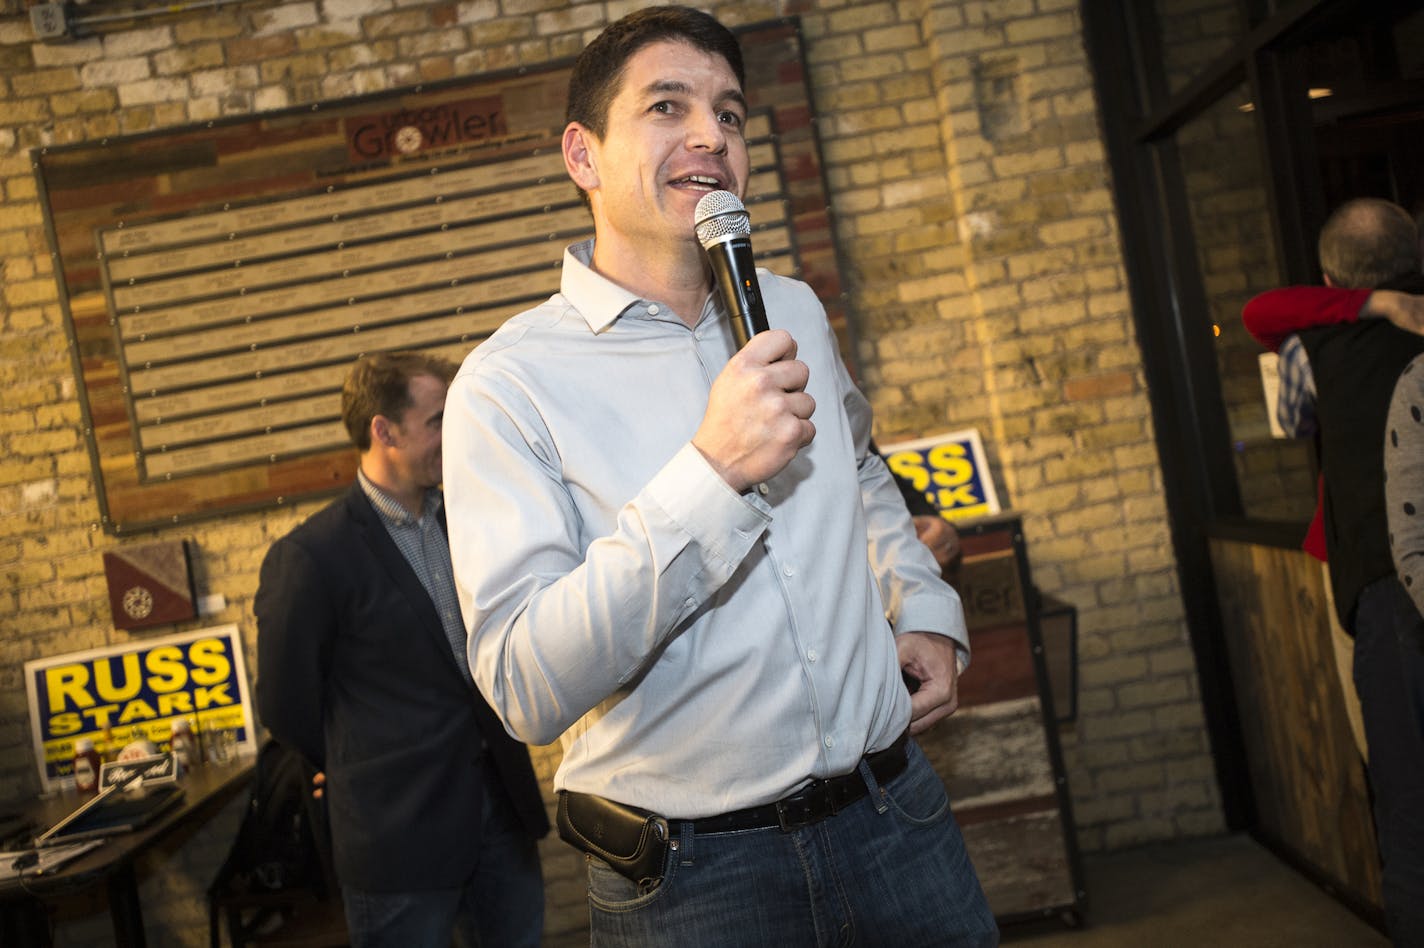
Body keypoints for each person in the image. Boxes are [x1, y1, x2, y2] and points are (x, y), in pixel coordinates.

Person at [442, 7, 996, 946]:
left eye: (731, 115)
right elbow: (526, 684)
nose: (711, 137)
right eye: (668, 106)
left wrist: (925, 608)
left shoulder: (791, 307)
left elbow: (859, 469)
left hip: (896, 822)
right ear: (583, 155)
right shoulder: (507, 388)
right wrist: (711, 474)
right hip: (696, 885)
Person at [254, 352, 548, 948]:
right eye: (438, 420)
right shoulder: (312, 557)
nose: (453, 435)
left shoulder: (465, 523)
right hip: (397, 838)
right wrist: (354, 758)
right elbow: (285, 706)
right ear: (383, 431)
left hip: (501, 814)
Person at [1242, 199, 1424, 946]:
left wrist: (1357, 309)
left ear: (1327, 276)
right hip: (1382, 570)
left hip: (1380, 580)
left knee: (1408, 806)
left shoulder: (1312, 346)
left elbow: (1288, 410)